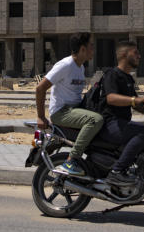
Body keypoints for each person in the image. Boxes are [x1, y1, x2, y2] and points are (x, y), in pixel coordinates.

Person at [97, 41, 144, 186]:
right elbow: (111, 98)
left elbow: (138, 106)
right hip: (110, 123)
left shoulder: (128, 78)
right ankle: (117, 172)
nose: (139, 56)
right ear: (125, 55)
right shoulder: (112, 75)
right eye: (135, 53)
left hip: (121, 124)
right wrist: (134, 99)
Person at [35, 33, 104, 176]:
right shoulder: (65, 65)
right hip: (61, 112)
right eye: (91, 46)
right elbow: (40, 88)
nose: (93, 49)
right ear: (83, 49)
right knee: (95, 120)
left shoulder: (80, 68)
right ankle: (71, 160)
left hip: (74, 110)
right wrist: (41, 117)